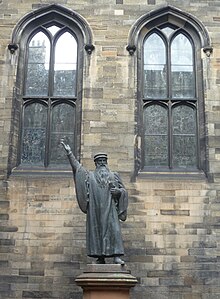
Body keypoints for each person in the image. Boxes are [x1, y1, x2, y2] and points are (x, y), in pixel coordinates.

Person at [61, 141, 128, 265]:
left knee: (114, 230)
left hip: (110, 210)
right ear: (96, 163)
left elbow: (124, 190)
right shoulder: (89, 176)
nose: (102, 163)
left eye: (104, 161)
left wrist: (118, 192)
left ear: (106, 163)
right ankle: (100, 257)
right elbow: (78, 168)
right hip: (95, 210)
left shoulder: (114, 176)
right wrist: (70, 153)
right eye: (99, 161)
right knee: (96, 232)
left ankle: (116, 256)